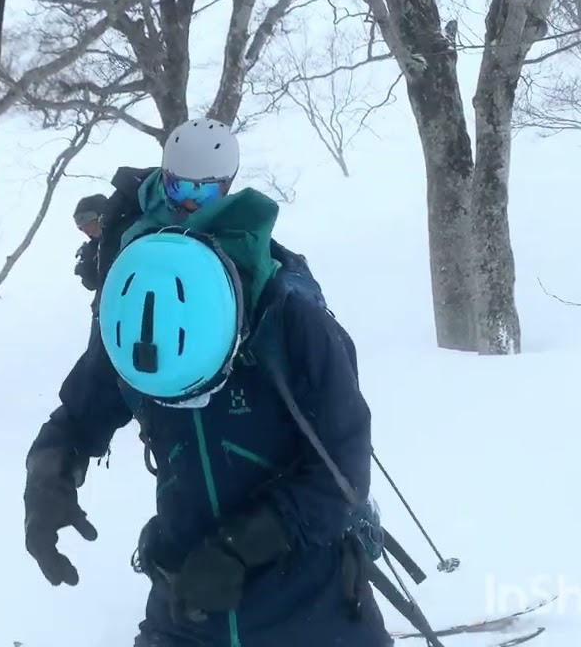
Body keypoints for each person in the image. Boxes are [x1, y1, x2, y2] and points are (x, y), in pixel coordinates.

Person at [22, 119, 391, 647]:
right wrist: (48, 477)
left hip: (312, 602)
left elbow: (344, 469)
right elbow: (82, 411)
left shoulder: (285, 312)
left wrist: (242, 547)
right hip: (187, 600)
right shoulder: (139, 307)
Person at [72, 193, 109, 297]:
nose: (88, 233)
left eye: (89, 225)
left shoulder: (127, 232)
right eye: (83, 229)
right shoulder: (94, 249)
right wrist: (87, 270)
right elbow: (95, 285)